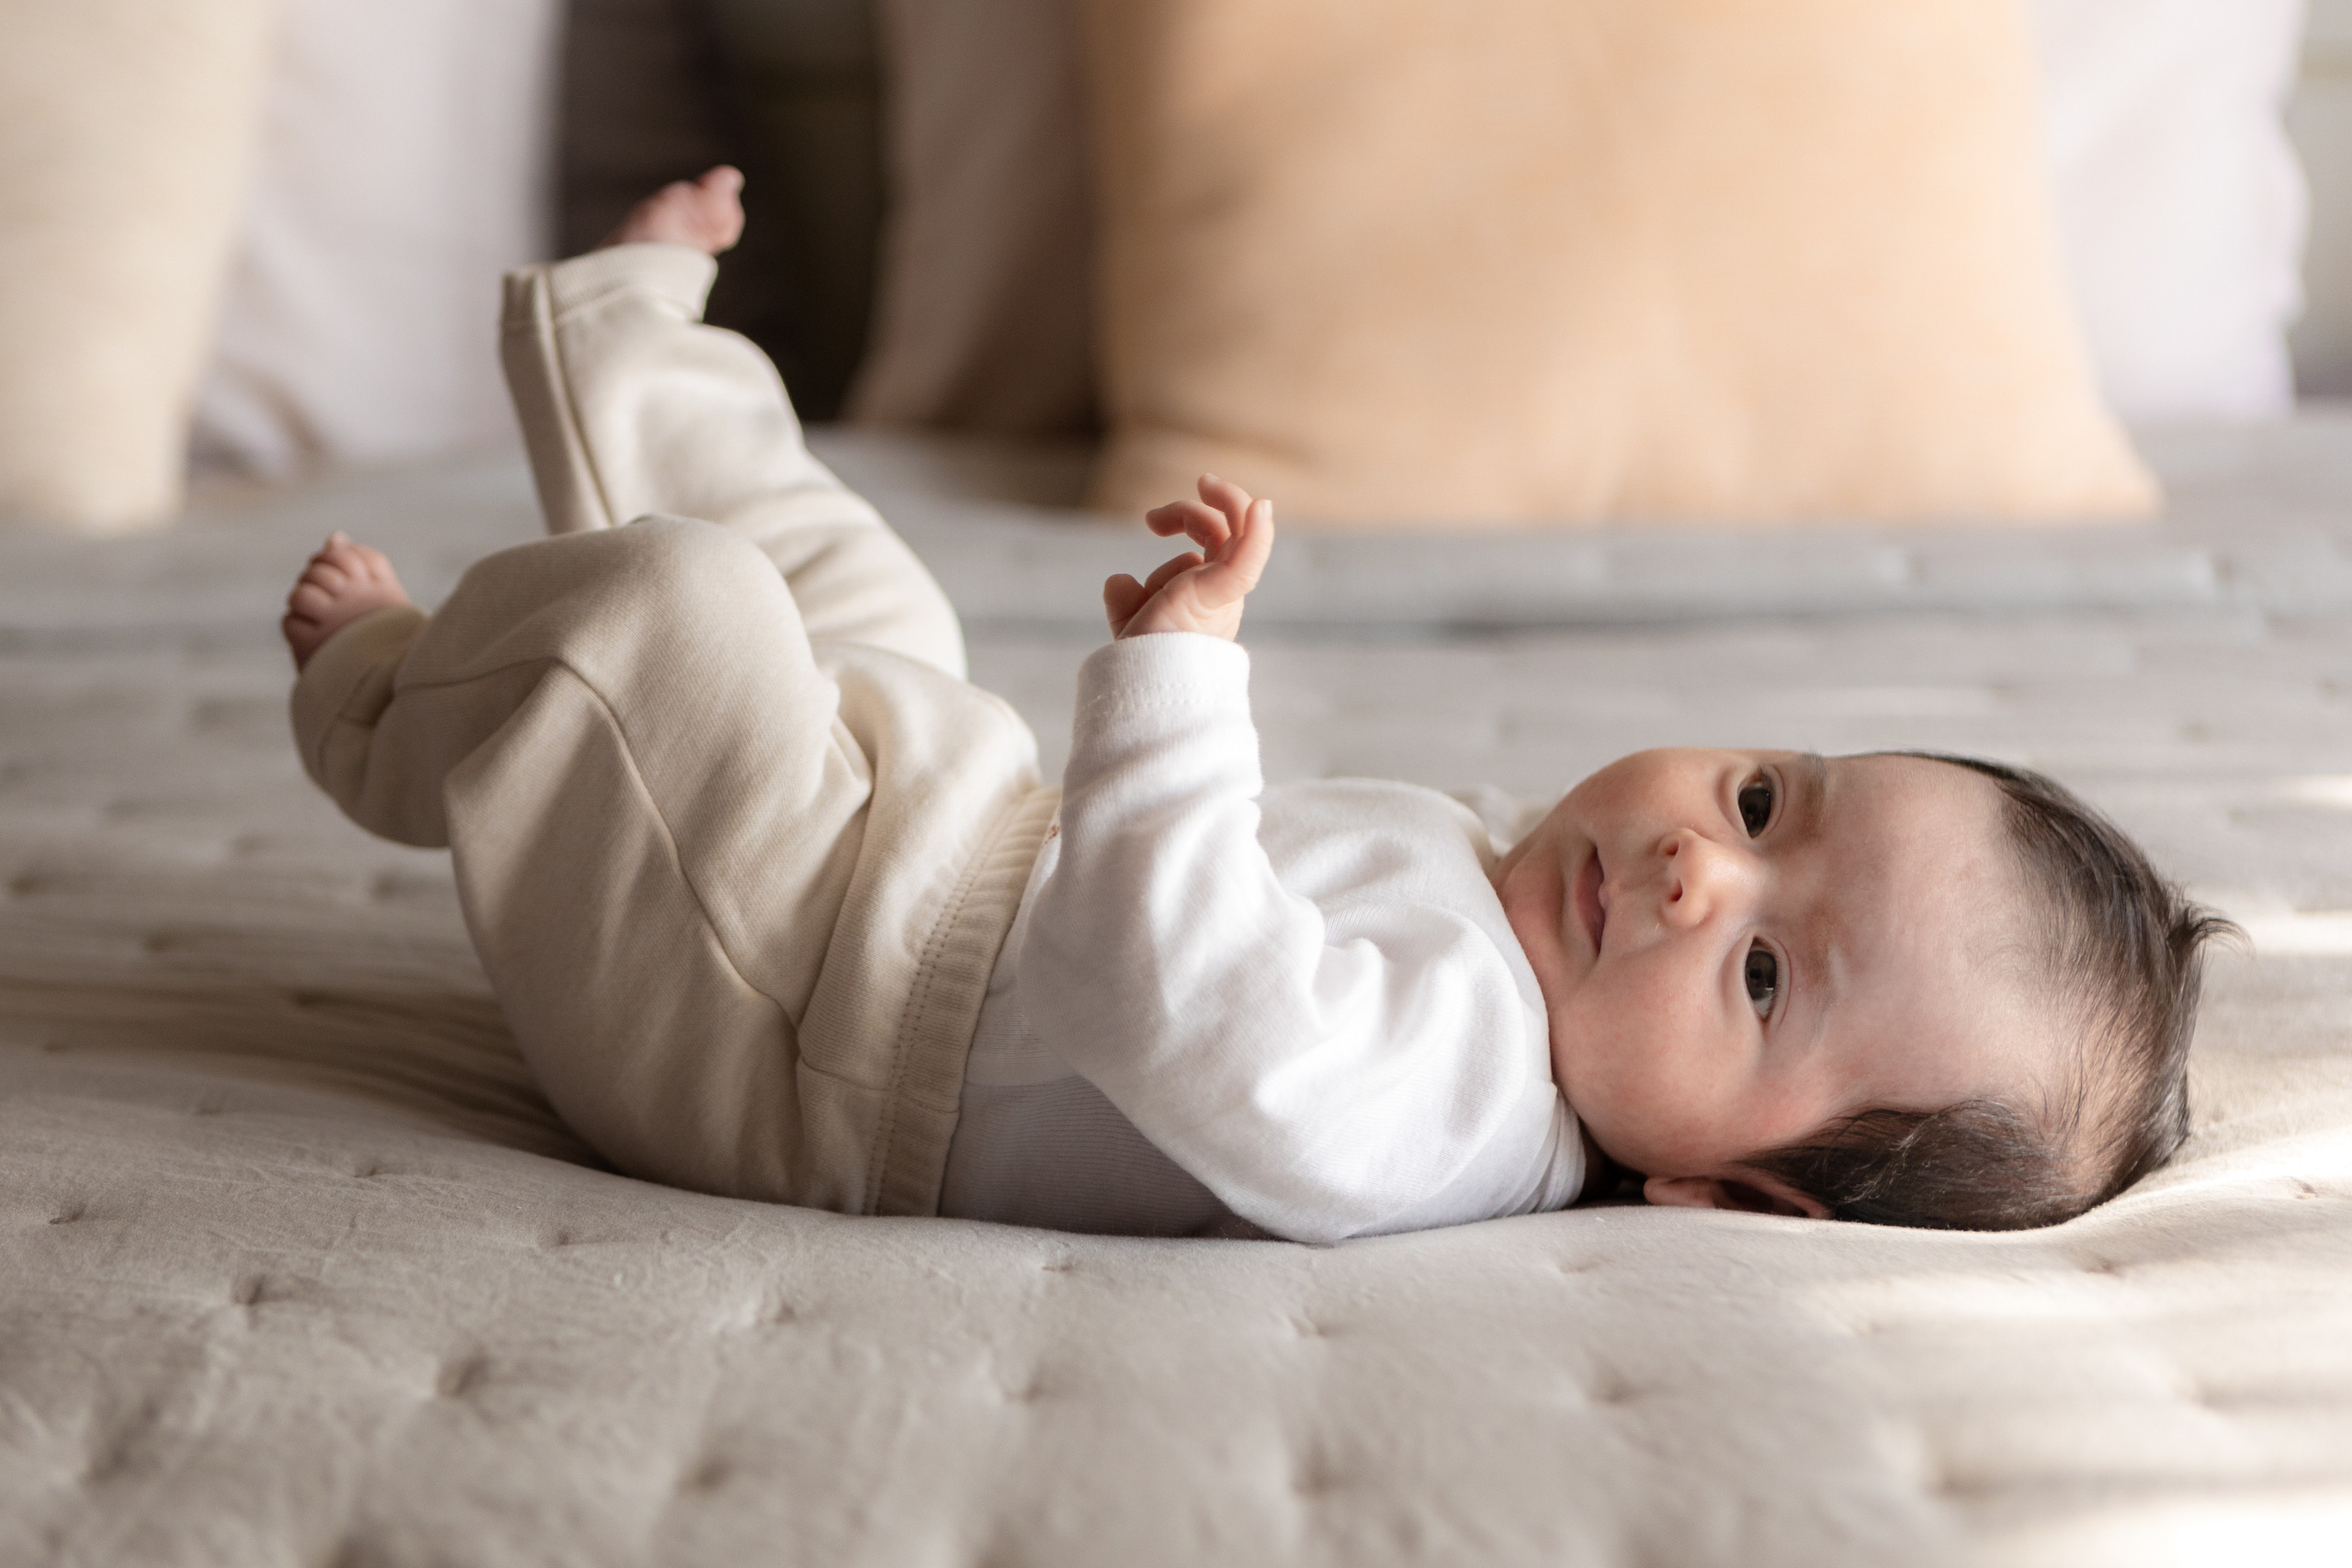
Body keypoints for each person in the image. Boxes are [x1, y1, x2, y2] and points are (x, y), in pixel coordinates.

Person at [282, 168, 2230, 1243]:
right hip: (935, 852)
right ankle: (629, 350)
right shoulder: (1514, 923)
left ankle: (382, 702)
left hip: (802, 1038)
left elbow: (1183, 1004)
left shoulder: (1452, 1106)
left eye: (1759, 983)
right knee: (856, 592)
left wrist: (1182, 682)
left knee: (682, 620)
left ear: (1728, 1189)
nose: (1683, 870)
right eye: (1757, 801)